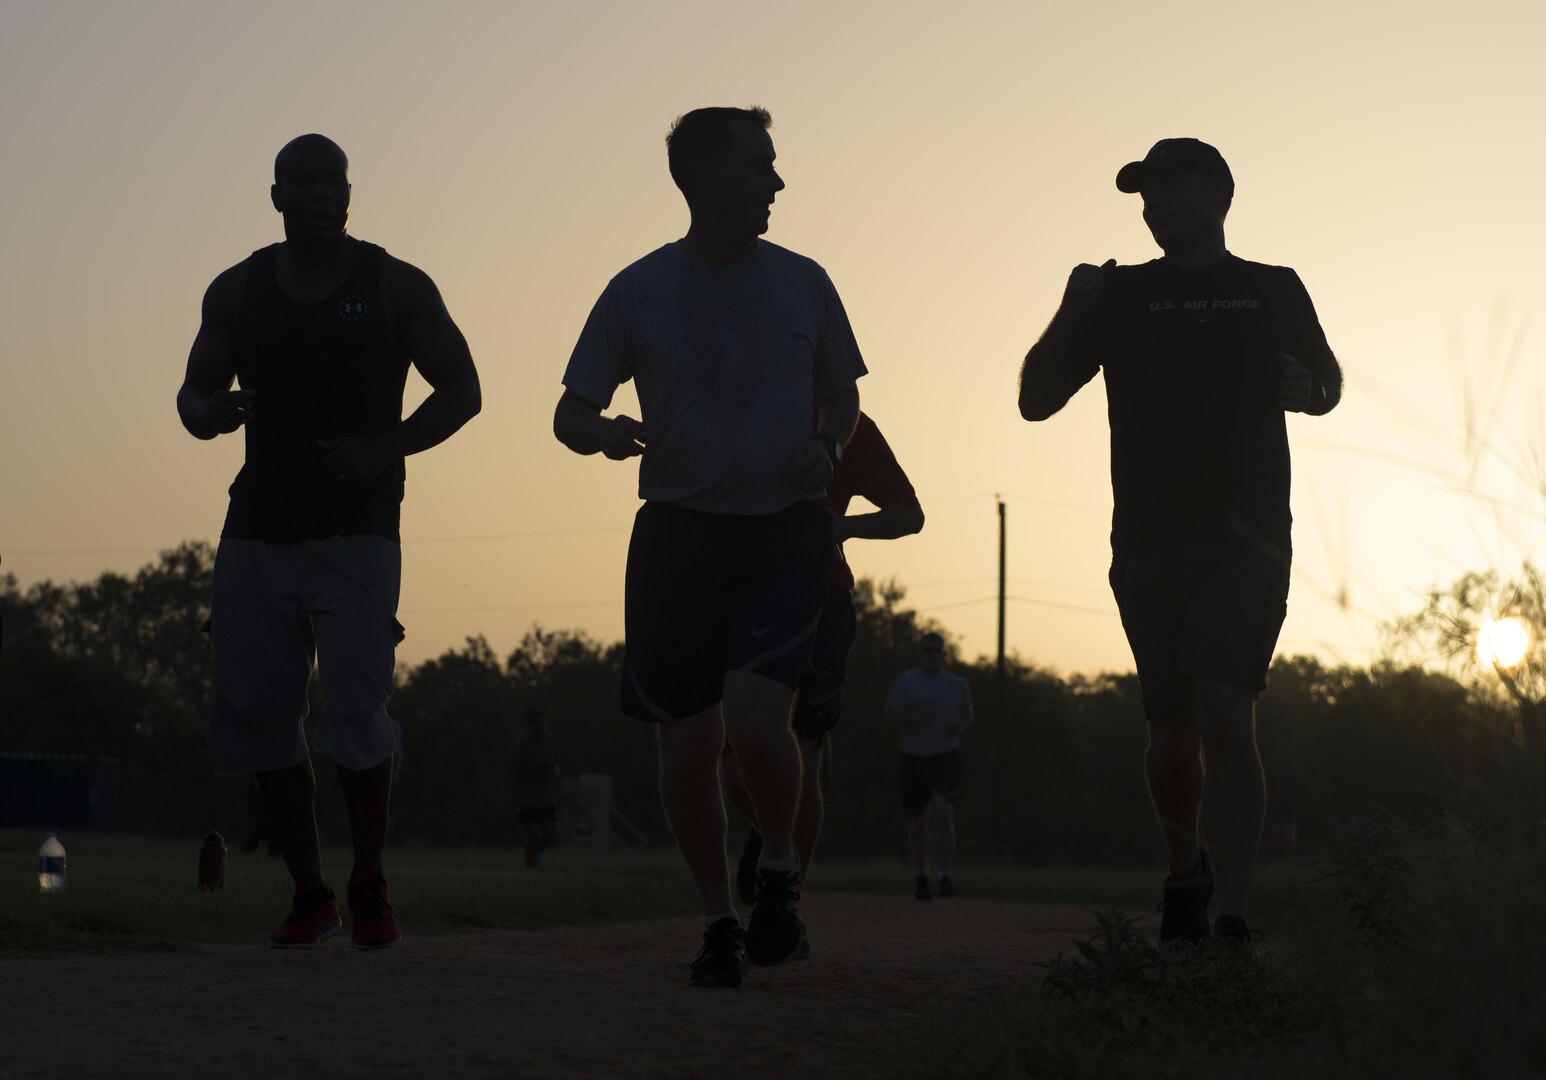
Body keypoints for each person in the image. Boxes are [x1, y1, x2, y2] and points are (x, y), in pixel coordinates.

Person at [554, 106, 865, 988]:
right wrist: (603, 432)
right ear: (701, 179)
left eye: (772, 165)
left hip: (784, 535)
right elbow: (567, 412)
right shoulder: (639, 289)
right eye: (759, 165)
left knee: (762, 725)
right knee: (687, 750)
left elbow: (842, 399)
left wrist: (830, 445)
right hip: (678, 539)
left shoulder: (803, 282)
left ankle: (776, 875)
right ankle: (717, 919)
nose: (775, 182)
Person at [1017, 138, 1342, 950]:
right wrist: (1073, 307)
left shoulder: (1272, 288)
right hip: (1151, 543)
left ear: (1217, 193)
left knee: (1228, 717)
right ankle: (1184, 871)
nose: (1151, 205)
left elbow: (1328, 381)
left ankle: (1231, 909)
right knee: (1169, 731)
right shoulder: (1120, 295)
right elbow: (1034, 399)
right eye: (1143, 195)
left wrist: (1310, 391)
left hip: (1249, 542)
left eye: (1166, 189)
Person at [178, 134, 481, 949]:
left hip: (358, 529)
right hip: (259, 527)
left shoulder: (395, 285)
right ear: (275, 197)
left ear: (350, 194)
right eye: (304, 183)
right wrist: (204, 412)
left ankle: (370, 880)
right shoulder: (238, 291)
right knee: (256, 712)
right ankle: (311, 892)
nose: (321, 195)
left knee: (354, 705)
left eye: (334, 182)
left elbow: (465, 389)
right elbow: (194, 388)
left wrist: (386, 448)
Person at [725, 412, 923, 904]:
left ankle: (786, 904)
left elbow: (909, 514)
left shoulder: (848, 424)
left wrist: (842, 526)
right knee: (732, 769)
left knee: (806, 755)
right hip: (737, 598)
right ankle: (770, 831)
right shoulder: (735, 399)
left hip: (822, 598)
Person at [885, 631, 973, 900]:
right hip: (914, 757)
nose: (932, 655)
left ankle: (944, 876)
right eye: (927, 650)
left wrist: (961, 726)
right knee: (919, 821)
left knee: (944, 816)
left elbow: (967, 711)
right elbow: (889, 714)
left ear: (944, 654)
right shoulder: (907, 683)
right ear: (920, 653)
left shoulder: (956, 684)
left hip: (946, 756)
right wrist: (915, 717)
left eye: (937, 650)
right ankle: (922, 875)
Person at [511, 709, 560, 868]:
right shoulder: (525, 744)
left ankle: (533, 857)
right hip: (527, 796)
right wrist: (519, 746)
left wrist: (555, 780)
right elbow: (512, 764)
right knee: (535, 836)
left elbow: (554, 767)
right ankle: (530, 868)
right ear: (531, 726)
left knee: (550, 836)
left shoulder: (550, 743)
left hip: (546, 796)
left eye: (544, 723)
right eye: (538, 723)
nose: (543, 726)